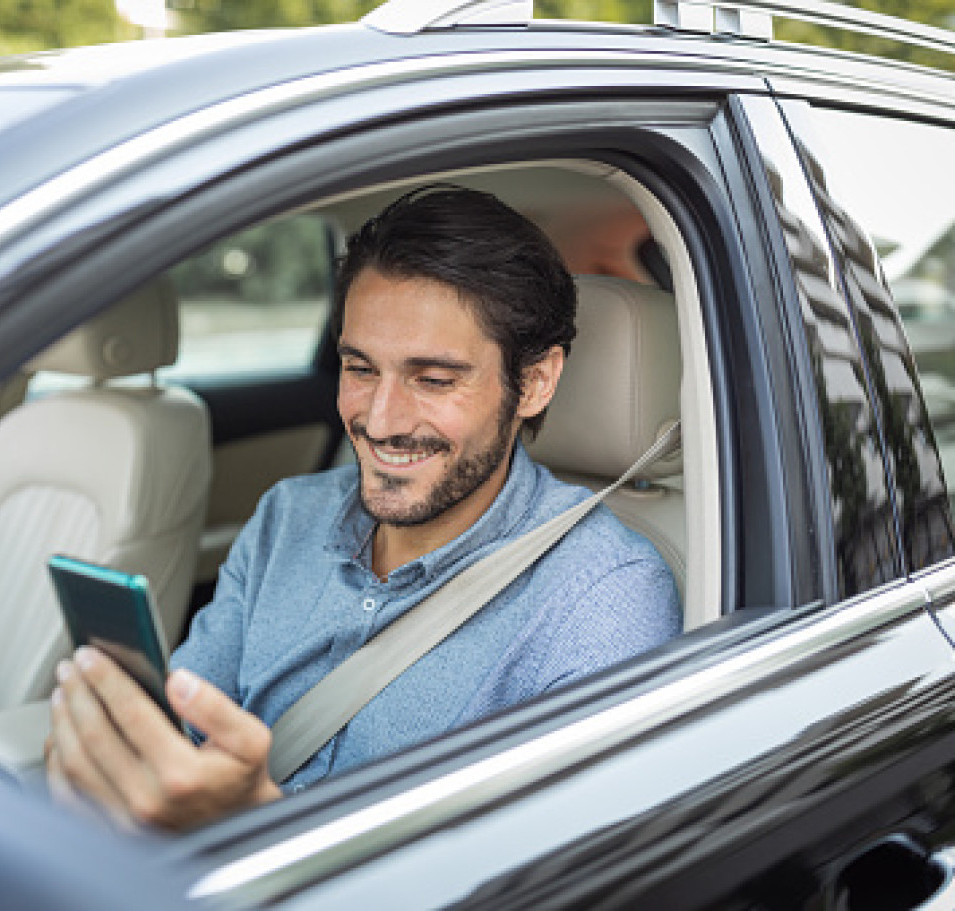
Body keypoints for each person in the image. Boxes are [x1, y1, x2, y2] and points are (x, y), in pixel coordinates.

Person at [45, 185, 681, 831]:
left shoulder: (602, 599)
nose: (379, 421)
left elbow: (555, 878)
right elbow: (186, 717)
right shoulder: (287, 515)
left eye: (434, 379)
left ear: (536, 381)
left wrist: (260, 828)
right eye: (360, 368)